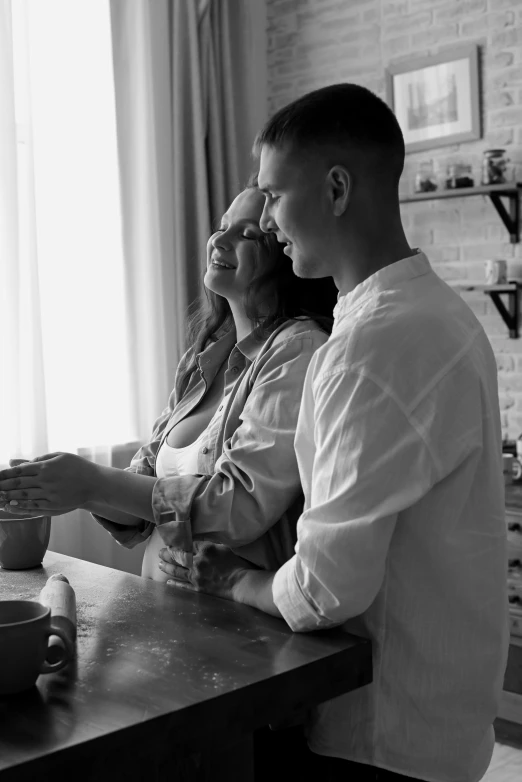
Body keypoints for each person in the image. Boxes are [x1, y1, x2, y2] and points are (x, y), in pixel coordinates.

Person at [156, 84, 510, 782]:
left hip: (381, 731)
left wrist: (236, 583)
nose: (268, 225)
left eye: (274, 198)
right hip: (446, 712)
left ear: (338, 189)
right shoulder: (444, 315)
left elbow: (325, 590)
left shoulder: (369, 346)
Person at [0, 184, 338, 579]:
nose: (219, 240)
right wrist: (70, 489)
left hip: (242, 627)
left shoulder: (298, 349)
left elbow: (240, 508)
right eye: (223, 225)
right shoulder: (205, 358)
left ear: (287, 256)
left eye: (248, 235)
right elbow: (143, 498)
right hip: (173, 618)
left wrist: (92, 484)